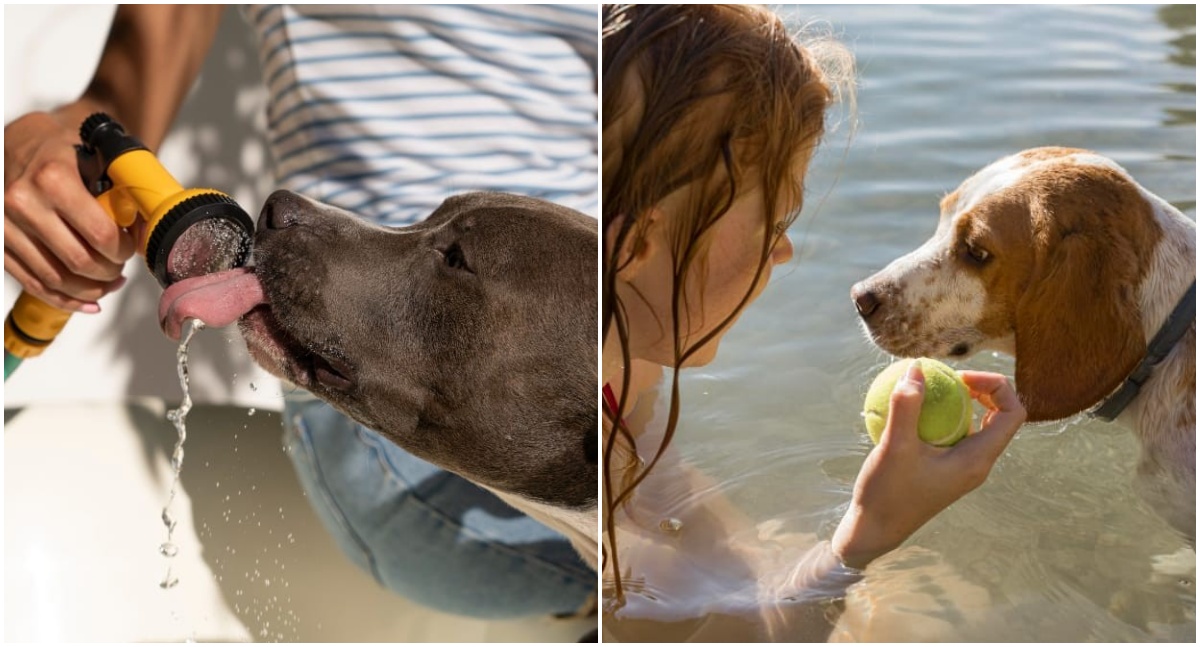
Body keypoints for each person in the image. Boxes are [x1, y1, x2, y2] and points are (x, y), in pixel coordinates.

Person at [5, 4, 596, 624]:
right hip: (404, 425)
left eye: (452, 258)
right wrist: (56, 139)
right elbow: (109, 106)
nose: (288, 209)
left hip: (569, 368)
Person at [600, 5, 1027, 641]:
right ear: (635, 246)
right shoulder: (556, 416)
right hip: (445, 531)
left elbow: (647, 478)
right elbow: (695, 632)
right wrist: (863, 539)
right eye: (774, 224)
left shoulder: (625, 342)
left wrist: (759, 565)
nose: (783, 252)